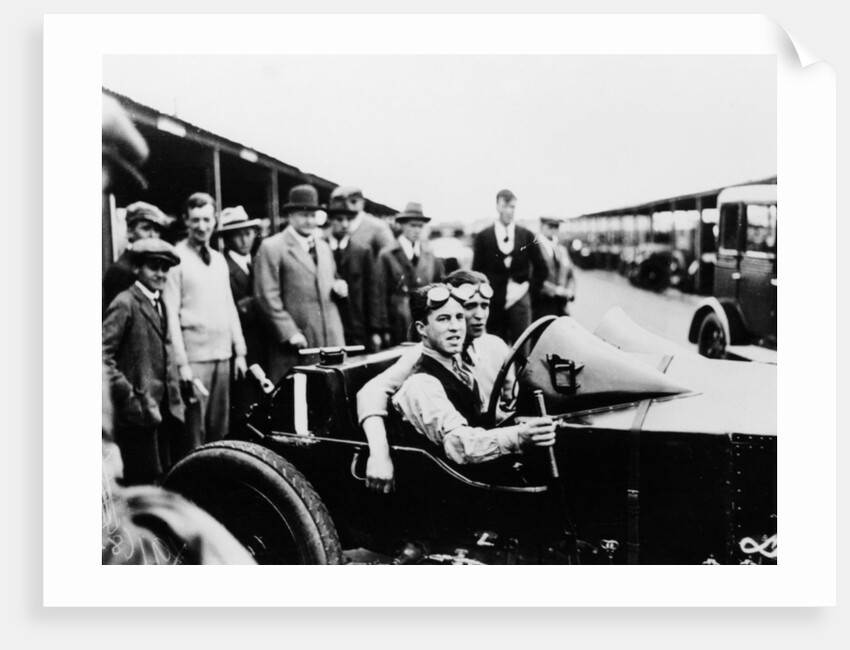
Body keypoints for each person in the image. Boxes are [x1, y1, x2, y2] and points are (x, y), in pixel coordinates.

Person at [357, 270, 514, 493]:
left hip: (483, 447)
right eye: (470, 306)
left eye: (485, 305)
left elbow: (503, 404)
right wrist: (380, 454)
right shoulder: (423, 357)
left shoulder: (492, 346)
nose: (479, 315)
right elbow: (371, 392)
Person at [390, 284, 556, 468]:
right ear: (422, 329)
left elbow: (485, 418)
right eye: (444, 319)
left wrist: (532, 425)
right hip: (456, 485)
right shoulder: (421, 384)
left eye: (459, 317)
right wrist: (518, 435)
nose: (455, 327)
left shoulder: (461, 370)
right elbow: (460, 445)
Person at [162, 192, 247, 451]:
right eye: (195, 220)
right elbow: (170, 315)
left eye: (207, 219)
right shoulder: (175, 259)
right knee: (194, 435)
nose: (202, 226)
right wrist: (182, 365)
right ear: (186, 221)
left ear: (215, 220)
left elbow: (229, 306)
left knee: (220, 430)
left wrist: (240, 351)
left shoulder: (220, 260)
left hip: (222, 355)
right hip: (195, 359)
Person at [102, 238, 185, 485]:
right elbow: (101, 356)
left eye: (165, 268)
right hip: (138, 414)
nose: (160, 274)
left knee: (161, 478)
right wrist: (128, 395)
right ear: (137, 268)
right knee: (141, 482)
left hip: (161, 411)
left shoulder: (161, 303)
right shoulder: (126, 302)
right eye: (153, 267)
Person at [253, 184, 348, 382]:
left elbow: (331, 277)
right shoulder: (273, 247)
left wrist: (340, 286)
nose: (309, 220)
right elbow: (266, 297)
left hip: (330, 338)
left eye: (313, 215)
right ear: (290, 215)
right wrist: (289, 332)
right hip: (298, 344)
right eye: (303, 214)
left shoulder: (323, 247)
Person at [472, 189, 548, 344]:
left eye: (512, 207)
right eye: (505, 206)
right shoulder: (483, 236)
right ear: (497, 206)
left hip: (520, 300)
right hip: (494, 303)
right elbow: (477, 272)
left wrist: (528, 292)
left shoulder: (526, 235)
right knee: (496, 350)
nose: (509, 211)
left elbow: (542, 269)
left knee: (521, 351)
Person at [375, 202, 444, 345]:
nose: (417, 230)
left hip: (424, 321)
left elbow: (440, 288)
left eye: (420, 226)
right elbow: (378, 294)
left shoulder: (430, 256)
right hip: (397, 320)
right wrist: (381, 328)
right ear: (402, 225)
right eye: (413, 225)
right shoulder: (387, 255)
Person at [325, 195, 383, 351]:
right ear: (330, 220)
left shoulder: (362, 251)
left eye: (349, 219)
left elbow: (372, 292)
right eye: (339, 219)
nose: (344, 224)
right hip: (329, 325)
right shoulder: (320, 249)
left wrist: (375, 330)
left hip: (357, 326)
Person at [102, 201, 173, 313]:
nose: (152, 235)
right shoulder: (121, 271)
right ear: (130, 232)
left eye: (156, 230)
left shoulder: (147, 266)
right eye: (146, 228)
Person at [216, 205, 265, 367]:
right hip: (242, 345)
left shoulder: (260, 262)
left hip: (265, 344)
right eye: (238, 235)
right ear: (227, 239)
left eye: (248, 233)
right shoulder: (222, 266)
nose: (244, 240)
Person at [330, 185, 395, 258]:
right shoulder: (337, 223)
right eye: (342, 202)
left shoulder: (377, 226)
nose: (348, 206)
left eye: (353, 201)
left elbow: (390, 257)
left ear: (363, 203)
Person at [533, 215, 576, 319]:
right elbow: (533, 277)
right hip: (542, 305)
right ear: (542, 226)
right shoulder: (535, 248)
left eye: (556, 226)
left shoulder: (561, 249)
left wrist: (570, 290)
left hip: (562, 306)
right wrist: (555, 290)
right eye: (550, 226)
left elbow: (570, 275)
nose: (554, 230)